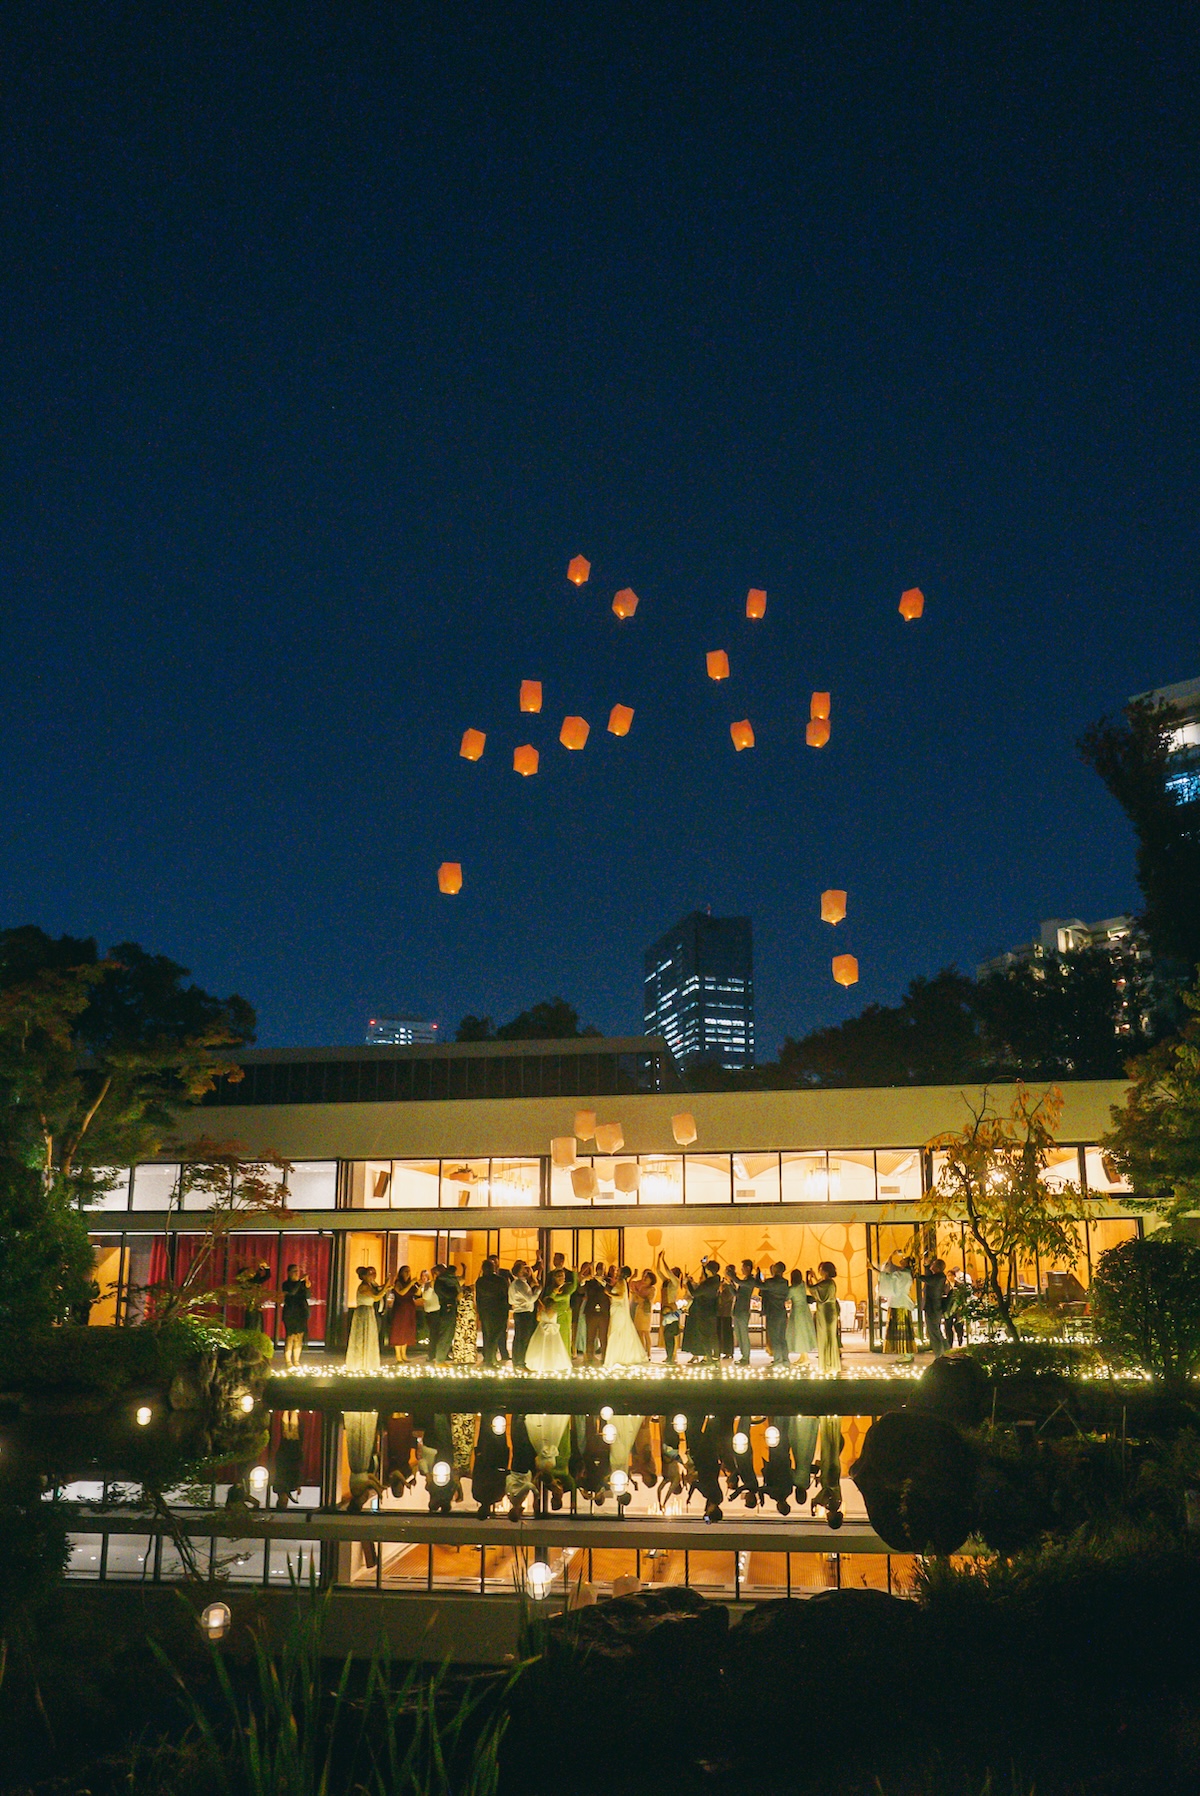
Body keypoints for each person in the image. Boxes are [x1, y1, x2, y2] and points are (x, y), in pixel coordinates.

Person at [873, 1251, 917, 1361]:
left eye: (904, 1260)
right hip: (899, 1302)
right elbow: (889, 1267)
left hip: (899, 1303)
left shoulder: (903, 1274)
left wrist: (873, 1269)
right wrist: (891, 1254)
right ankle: (907, 1352)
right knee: (902, 1328)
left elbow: (887, 1276)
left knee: (902, 1328)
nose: (901, 1260)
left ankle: (907, 1353)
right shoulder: (903, 1273)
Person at [605, 1266, 649, 1366]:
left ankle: (617, 1356)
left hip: (618, 1309)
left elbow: (620, 1296)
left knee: (617, 1331)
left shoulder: (621, 1282)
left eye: (619, 1270)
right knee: (617, 1331)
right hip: (616, 1308)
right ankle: (618, 1355)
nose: (617, 1271)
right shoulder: (620, 1282)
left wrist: (609, 1294)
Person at [345, 1265, 383, 1371]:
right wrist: (385, 1288)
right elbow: (376, 1297)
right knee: (361, 1336)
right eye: (369, 1275)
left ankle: (368, 1362)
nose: (372, 1276)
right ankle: (360, 1363)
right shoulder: (363, 1287)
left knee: (370, 1335)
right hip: (363, 1312)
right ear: (364, 1276)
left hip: (369, 1311)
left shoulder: (370, 1285)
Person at [525, 1290, 573, 1373]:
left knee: (541, 1347)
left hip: (542, 1331)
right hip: (553, 1333)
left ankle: (541, 1363)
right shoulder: (555, 1312)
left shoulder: (542, 1313)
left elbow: (538, 1319)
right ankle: (553, 1364)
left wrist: (539, 1311)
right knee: (553, 1347)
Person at [475, 1256, 510, 1365]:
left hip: (486, 1312)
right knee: (496, 1335)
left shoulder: (480, 1281)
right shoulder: (500, 1280)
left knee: (487, 1335)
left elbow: (479, 1299)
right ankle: (491, 1359)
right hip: (498, 1311)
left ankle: (488, 1357)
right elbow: (505, 1296)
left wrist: (479, 1312)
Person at [682, 1261, 720, 1360]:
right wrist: (703, 1266)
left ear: (709, 1270)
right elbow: (707, 1277)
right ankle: (716, 1356)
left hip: (704, 1312)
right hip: (712, 1311)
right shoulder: (717, 1279)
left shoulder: (707, 1284)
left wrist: (688, 1282)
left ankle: (709, 1357)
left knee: (705, 1336)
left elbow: (694, 1293)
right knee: (713, 1335)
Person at [808, 1262, 841, 1374]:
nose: (820, 1271)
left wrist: (807, 1279)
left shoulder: (827, 1283)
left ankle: (829, 1364)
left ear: (826, 1271)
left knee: (828, 1337)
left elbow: (813, 1289)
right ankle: (828, 1364)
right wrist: (813, 1277)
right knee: (825, 1337)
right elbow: (818, 1286)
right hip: (825, 1311)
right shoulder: (828, 1282)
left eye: (821, 1269)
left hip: (827, 1312)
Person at [759, 1261, 792, 1364]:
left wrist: (758, 1276)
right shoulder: (785, 1282)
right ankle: (785, 1360)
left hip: (772, 1313)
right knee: (782, 1338)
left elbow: (760, 1287)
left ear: (775, 1270)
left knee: (774, 1338)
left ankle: (778, 1360)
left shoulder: (770, 1282)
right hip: (782, 1312)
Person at [386, 1265, 420, 1361]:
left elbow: (417, 1293)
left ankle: (404, 1355)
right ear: (401, 1273)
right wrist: (410, 1284)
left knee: (407, 1330)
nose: (408, 1273)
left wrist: (418, 1284)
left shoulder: (410, 1283)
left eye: (409, 1271)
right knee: (399, 1330)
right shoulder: (398, 1283)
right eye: (405, 1271)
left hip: (409, 1309)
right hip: (400, 1309)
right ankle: (398, 1356)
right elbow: (402, 1293)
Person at [281, 1262, 311, 1367]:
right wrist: (299, 1281)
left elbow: (307, 1296)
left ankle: (296, 1360)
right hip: (290, 1312)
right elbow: (292, 1292)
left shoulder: (301, 1284)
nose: (297, 1273)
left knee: (299, 1336)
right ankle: (288, 1361)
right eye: (294, 1271)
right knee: (290, 1336)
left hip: (301, 1312)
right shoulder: (286, 1284)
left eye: (298, 1271)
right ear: (289, 1273)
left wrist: (307, 1286)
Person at [581, 1264, 612, 1365]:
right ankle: (589, 1357)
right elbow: (581, 1290)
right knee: (590, 1336)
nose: (600, 1271)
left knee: (603, 1337)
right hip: (591, 1311)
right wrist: (583, 1280)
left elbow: (610, 1290)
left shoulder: (608, 1280)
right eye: (598, 1269)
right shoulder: (591, 1281)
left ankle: (605, 1357)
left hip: (603, 1312)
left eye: (602, 1269)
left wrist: (602, 1281)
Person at [509, 1260, 538, 1368]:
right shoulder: (520, 1284)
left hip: (520, 1312)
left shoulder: (517, 1283)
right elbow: (530, 1299)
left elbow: (511, 1301)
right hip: (524, 1313)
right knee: (523, 1339)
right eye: (523, 1269)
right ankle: (521, 1362)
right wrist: (538, 1291)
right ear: (519, 1272)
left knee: (519, 1338)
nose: (526, 1270)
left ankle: (517, 1361)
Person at [732, 1260, 760, 1364]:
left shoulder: (750, 1280)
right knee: (739, 1335)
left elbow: (739, 1282)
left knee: (743, 1335)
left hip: (743, 1310)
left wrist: (732, 1275)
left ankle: (746, 1357)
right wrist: (730, 1284)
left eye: (743, 1267)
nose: (741, 1269)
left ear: (748, 1268)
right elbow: (737, 1294)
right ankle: (743, 1356)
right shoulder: (745, 1280)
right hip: (738, 1310)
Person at [448, 1265, 478, 1364]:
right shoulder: (454, 1289)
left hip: (469, 1314)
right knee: (461, 1336)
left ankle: (469, 1357)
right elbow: (459, 1297)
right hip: (462, 1314)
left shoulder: (467, 1288)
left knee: (469, 1335)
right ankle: (460, 1356)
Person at [919, 1257, 949, 1357]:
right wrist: (926, 1266)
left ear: (937, 1267)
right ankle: (946, 1351)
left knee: (934, 1332)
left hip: (933, 1308)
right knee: (936, 1331)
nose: (931, 1265)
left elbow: (926, 1279)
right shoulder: (938, 1276)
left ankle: (940, 1355)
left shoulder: (939, 1277)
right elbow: (928, 1277)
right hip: (932, 1308)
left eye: (933, 1264)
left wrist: (916, 1275)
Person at [656, 1254, 683, 1362]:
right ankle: (669, 1355)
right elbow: (658, 1271)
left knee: (670, 1333)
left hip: (671, 1308)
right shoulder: (666, 1281)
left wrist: (663, 1260)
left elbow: (667, 1271)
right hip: (664, 1308)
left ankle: (672, 1355)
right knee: (665, 1333)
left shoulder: (675, 1281)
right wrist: (658, 1259)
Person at [432, 1262, 461, 1362]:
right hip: (447, 1308)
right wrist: (455, 1292)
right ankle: (440, 1359)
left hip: (451, 1307)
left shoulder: (447, 1281)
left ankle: (442, 1358)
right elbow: (448, 1294)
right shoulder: (440, 1282)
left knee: (449, 1334)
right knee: (445, 1334)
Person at [787, 1267, 817, 1362]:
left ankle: (804, 1357)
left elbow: (786, 1297)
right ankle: (803, 1356)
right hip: (805, 1310)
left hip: (797, 1312)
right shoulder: (802, 1285)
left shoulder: (792, 1289)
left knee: (800, 1333)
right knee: (804, 1332)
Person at [630, 1268, 656, 1358]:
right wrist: (635, 1295)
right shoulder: (642, 1288)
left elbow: (647, 1301)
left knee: (646, 1332)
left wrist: (637, 1294)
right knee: (639, 1332)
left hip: (646, 1312)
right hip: (639, 1310)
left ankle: (648, 1353)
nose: (644, 1279)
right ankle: (642, 1352)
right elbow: (636, 1300)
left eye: (646, 1278)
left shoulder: (652, 1289)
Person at [942, 1267, 967, 1347]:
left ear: (954, 1276)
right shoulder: (945, 1286)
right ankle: (949, 1343)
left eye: (951, 1275)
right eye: (948, 1276)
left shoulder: (960, 1285)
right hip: (948, 1309)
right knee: (948, 1326)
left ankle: (960, 1339)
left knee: (958, 1325)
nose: (950, 1277)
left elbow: (963, 1296)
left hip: (958, 1308)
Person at [716, 1267, 737, 1359]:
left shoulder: (731, 1285)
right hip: (719, 1311)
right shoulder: (723, 1283)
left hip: (726, 1312)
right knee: (719, 1332)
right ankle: (719, 1350)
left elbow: (727, 1297)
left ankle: (728, 1351)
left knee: (726, 1332)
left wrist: (721, 1291)